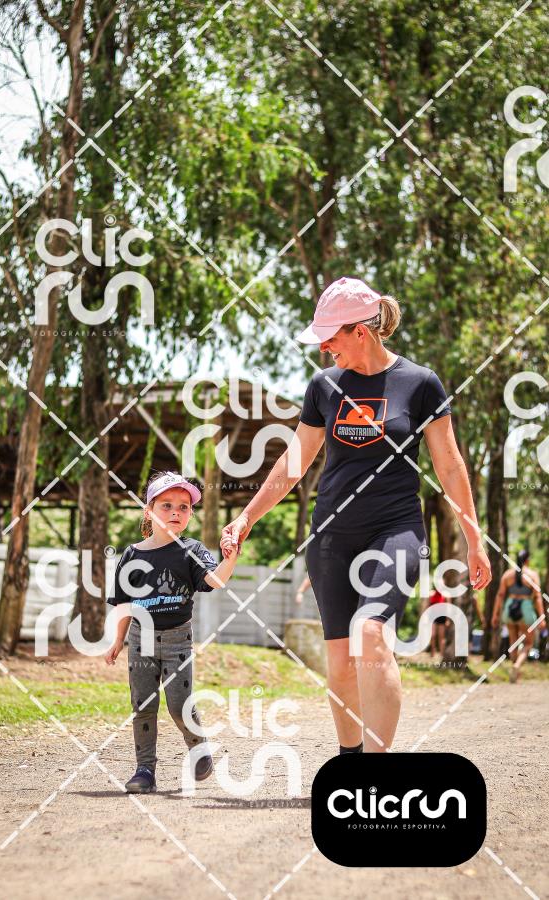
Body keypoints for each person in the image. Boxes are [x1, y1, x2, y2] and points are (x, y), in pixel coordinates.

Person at [220, 277, 491, 754]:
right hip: (332, 535)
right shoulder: (324, 387)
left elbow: (449, 465)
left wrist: (474, 538)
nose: (324, 349)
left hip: (395, 527)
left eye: (331, 338)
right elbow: (293, 464)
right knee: (342, 662)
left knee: (370, 632)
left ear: (360, 331)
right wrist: (246, 518)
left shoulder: (420, 384)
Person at [105, 471, 239, 793]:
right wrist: (118, 640)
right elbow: (124, 604)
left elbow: (214, 581)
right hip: (141, 640)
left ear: (190, 514)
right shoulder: (132, 555)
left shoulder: (191, 550)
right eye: (166, 505)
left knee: (179, 704)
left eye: (183, 507)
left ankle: (198, 747)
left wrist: (230, 558)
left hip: (178, 638)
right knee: (143, 705)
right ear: (149, 511)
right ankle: (144, 771)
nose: (175, 512)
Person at [491, 549, 544, 683]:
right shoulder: (532, 575)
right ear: (527, 560)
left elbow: (500, 595)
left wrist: (495, 615)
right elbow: (537, 597)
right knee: (528, 643)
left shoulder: (508, 575)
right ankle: (517, 665)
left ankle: (514, 671)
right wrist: (541, 616)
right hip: (526, 608)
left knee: (513, 642)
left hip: (509, 608)